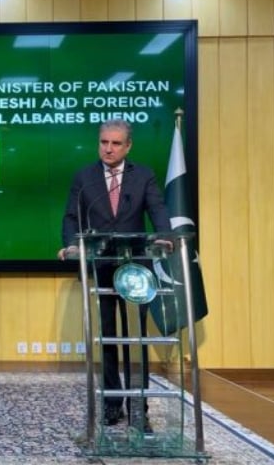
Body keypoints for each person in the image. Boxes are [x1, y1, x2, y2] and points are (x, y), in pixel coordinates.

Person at [57, 119, 170, 431]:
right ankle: (111, 404)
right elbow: (71, 217)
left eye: (115, 143)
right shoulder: (85, 177)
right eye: (104, 142)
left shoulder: (143, 175)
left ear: (128, 146)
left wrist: (164, 236)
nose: (108, 148)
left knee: (136, 339)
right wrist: (71, 245)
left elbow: (158, 209)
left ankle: (139, 408)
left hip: (136, 268)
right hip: (102, 266)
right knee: (107, 338)